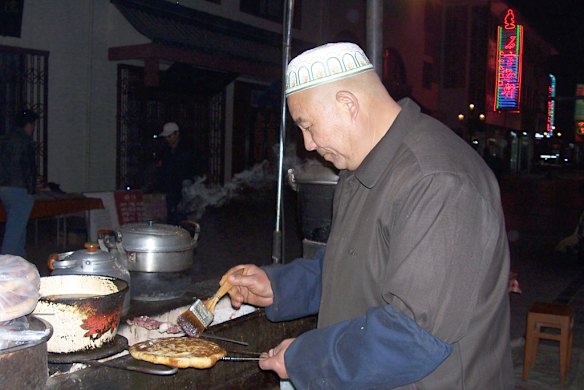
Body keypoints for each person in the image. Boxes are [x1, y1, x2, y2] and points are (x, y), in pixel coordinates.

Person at [221, 42, 514, 389]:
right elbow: (352, 264)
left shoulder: (437, 181)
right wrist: (278, 287)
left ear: (347, 104)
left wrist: (308, 358)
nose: (308, 144)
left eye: (308, 125)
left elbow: (414, 336)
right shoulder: (359, 168)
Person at [0, 109, 38, 257]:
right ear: (28, 124)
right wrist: (31, 189)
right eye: (33, 125)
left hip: (4, 187)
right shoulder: (25, 141)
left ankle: (20, 263)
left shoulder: (4, 138)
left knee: (18, 227)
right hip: (20, 187)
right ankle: (4, 267)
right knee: (14, 231)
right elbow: (28, 167)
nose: (33, 128)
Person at [157, 122, 196, 224]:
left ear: (177, 134)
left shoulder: (187, 149)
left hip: (183, 186)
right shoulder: (165, 150)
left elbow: (190, 168)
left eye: (170, 136)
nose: (168, 139)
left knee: (183, 214)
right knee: (171, 214)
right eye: (166, 137)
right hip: (170, 187)